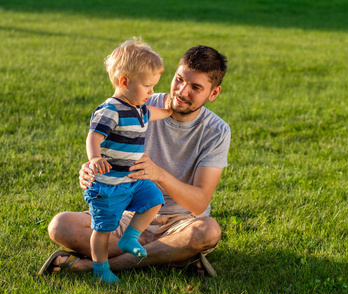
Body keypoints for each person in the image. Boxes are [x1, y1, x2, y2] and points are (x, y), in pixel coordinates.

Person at [38, 44, 229, 279]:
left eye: (195, 87)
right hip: (128, 215)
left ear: (214, 93)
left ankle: (98, 266)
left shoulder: (217, 130)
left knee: (207, 231)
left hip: (180, 223)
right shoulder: (139, 101)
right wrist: (89, 169)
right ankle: (172, 256)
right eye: (179, 79)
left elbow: (199, 203)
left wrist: (158, 174)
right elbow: (104, 148)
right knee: (60, 226)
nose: (181, 91)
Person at [83, 38, 173, 283]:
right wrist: (95, 158)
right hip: (108, 185)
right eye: (147, 86)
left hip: (132, 180)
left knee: (154, 199)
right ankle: (100, 269)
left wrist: (170, 110)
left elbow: (155, 113)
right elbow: (93, 136)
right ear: (124, 81)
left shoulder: (139, 107)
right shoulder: (110, 109)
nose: (152, 92)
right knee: (102, 230)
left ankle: (129, 237)